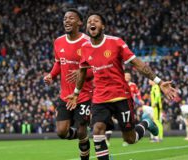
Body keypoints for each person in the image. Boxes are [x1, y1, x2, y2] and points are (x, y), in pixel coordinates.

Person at [66, 12, 177, 160]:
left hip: (121, 95)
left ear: (103, 26)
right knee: (97, 131)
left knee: (129, 139)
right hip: (100, 98)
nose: (92, 23)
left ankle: (146, 123)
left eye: (96, 20)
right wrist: (75, 93)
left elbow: (137, 63)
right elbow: (83, 72)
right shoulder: (85, 48)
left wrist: (159, 81)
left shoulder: (116, 42)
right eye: (89, 21)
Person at [43, 9, 92, 160]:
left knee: (81, 129)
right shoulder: (58, 41)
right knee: (61, 132)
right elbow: (59, 62)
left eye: (71, 18)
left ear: (79, 22)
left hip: (83, 95)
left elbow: (97, 68)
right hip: (65, 96)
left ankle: (85, 152)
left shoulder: (87, 42)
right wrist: (51, 74)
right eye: (65, 19)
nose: (67, 21)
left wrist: (83, 73)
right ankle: (83, 135)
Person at [105, 71, 145, 147]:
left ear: (130, 77)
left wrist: (140, 100)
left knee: (127, 123)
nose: (127, 77)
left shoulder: (133, 85)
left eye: (128, 76)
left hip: (130, 106)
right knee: (112, 121)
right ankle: (107, 140)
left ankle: (126, 140)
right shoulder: (120, 84)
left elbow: (137, 93)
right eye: (126, 76)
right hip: (120, 105)